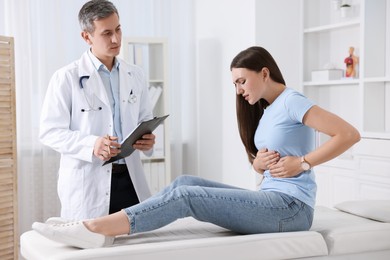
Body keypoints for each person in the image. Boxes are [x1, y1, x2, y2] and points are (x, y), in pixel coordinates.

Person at [33, 46, 361, 249]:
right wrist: (258, 165)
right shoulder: (269, 109)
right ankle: (97, 224)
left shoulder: (293, 101)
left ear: (264, 72)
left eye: (242, 81)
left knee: (187, 197)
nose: (238, 90)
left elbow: (347, 134)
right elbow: (266, 161)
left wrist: (302, 163)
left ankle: (94, 227)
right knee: (185, 182)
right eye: (235, 83)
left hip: (291, 209)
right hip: (272, 198)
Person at [39, 0, 156, 220]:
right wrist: (91, 144)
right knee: (91, 249)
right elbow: (50, 132)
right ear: (87, 36)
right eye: (107, 33)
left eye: (118, 29)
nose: (116, 39)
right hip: (89, 183)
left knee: (135, 249)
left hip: (130, 179)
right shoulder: (66, 77)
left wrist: (147, 140)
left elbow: (145, 119)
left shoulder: (135, 74)